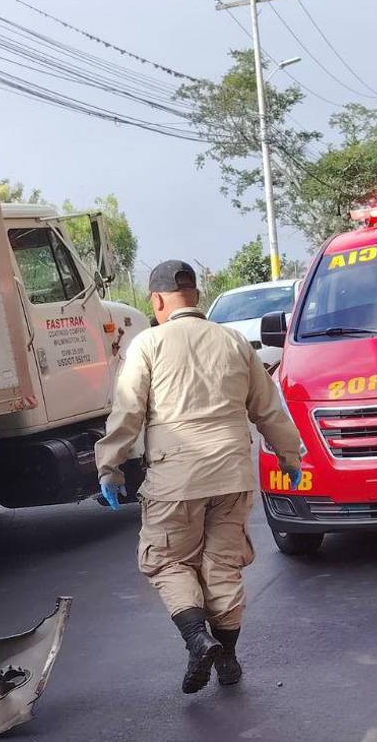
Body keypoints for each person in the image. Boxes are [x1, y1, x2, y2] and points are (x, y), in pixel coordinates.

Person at [95, 260, 304, 694]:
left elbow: (128, 411)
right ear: (195, 295)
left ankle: (196, 638)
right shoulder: (233, 341)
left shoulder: (148, 343)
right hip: (232, 473)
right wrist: (290, 457)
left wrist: (109, 466)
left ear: (156, 300)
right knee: (222, 565)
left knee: (168, 560)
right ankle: (227, 658)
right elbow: (267, 407)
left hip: (176, 478)